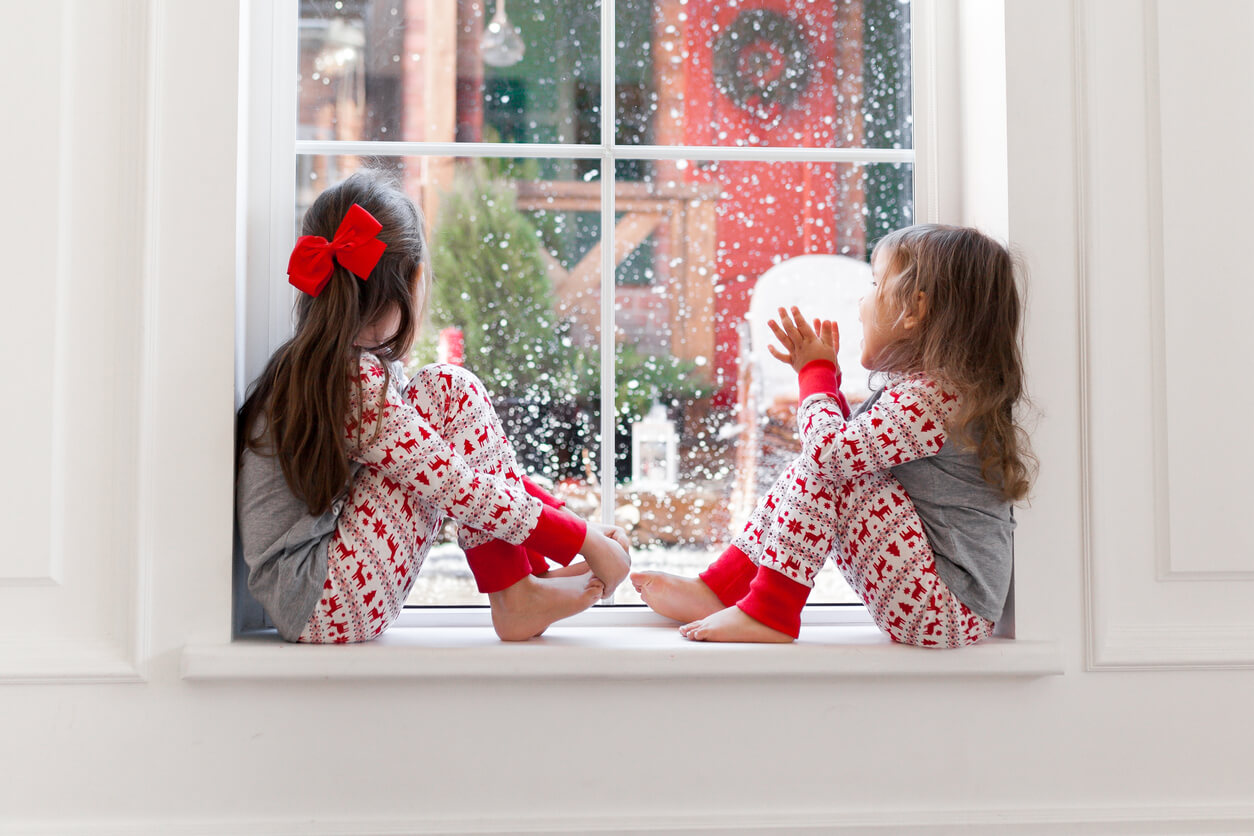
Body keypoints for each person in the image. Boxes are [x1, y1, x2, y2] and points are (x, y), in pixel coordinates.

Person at [236, 170, 630, 644]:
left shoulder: (331, 367)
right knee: (448, 388)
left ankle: (523, 584)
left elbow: (457, 464)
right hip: (324, 600)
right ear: (414, 280)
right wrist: (579, 537)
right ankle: (516, 595)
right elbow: (457, 484)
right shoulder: (350, 383)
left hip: (323, 596)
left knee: (442, 397)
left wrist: (570, 527)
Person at [632, 224, 1034, 646]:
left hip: (945, 610)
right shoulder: (932, 392)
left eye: (875, 284)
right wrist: (830, 386)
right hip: (938, 603)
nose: (862, 301)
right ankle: (721, 589)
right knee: (824, 462)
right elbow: (847, 453)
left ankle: (769, 612)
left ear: (914, 310)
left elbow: (830, 457)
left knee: (824, 464)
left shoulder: (932, 399)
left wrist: (815, 374)